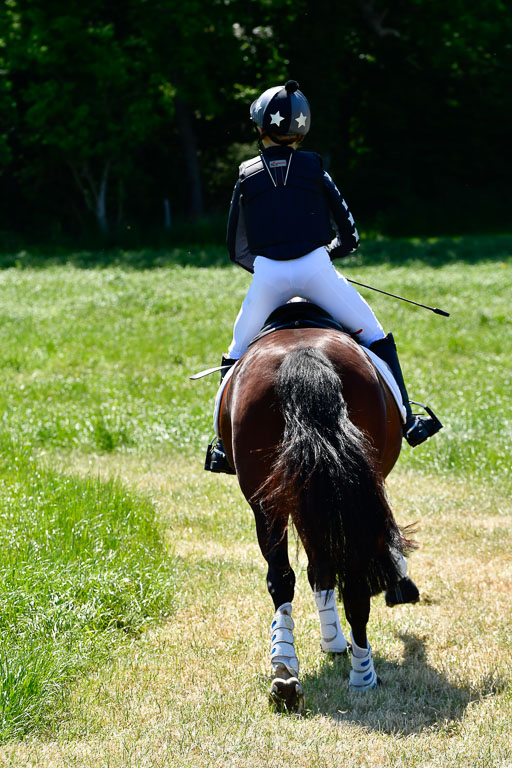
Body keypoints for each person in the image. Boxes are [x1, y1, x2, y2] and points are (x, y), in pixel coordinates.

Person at [206, 80, 442, 473]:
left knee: (234, 354)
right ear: (301, 129)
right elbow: (350, 234)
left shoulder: (246, 175)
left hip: (267, 279)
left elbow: (236, 247)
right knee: (376, 337)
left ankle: (221, 445)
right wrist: (319, 260)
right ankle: (409, 420)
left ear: (260, 128)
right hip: (318, 271)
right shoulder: (315, 167)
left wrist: (271, 272)